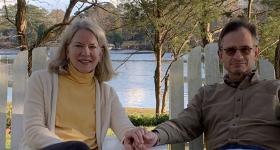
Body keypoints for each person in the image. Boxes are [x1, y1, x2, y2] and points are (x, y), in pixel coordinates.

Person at [124, 19, 280, 150]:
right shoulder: (207, 95)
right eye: (230, 50)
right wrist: (155, 135)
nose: (238, 56)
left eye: (245, 49)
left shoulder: (275, 90)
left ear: (256, 53)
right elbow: (182, 125)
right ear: (220, 55)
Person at [21, 18, 136, 150]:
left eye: (92, 46)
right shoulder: (40, 81)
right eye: (78, 46)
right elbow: (33, 130)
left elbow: (125, 127)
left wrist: (133, 135)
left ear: (100, 53)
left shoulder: (107, 94)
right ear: (67, 51)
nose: (86, 52)